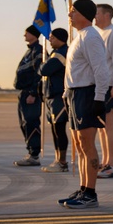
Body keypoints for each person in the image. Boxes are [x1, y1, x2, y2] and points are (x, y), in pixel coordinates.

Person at [58, 0, 110, 209]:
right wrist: (65, 93)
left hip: (87, 95)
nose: (70, 15)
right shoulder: (79, 37)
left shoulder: (91, 37)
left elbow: (102, 71)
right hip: (74, 94)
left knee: (87, 144)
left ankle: (90, 193)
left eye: (73, 12)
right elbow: (73, 71)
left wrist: (99, 98)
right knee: (79, 144)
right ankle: (83, 188)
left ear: (84, 14)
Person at [94, 4, 113, 179]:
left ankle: (111, 164)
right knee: (101, 126)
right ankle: (104, 161)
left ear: (107, 15)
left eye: (97, 14)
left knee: (108, 123)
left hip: (110, 84)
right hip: (99, 85)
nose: (94, 17)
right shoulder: (99, 34)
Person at [38, 29, 70, 172]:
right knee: (54, 129)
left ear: (60, 38)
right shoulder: (54, 53)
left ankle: (62, 161)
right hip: (50, 95)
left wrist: (42, 64)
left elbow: (44, 70)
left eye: (52, 38)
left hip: (58, 96)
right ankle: (57, 158)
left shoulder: (61, 53)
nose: (50, 40)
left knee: (59, 129)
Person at [13, 25, 43, 166]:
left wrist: (33, 93)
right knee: (24, 124)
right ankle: (30, 151)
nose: (24, 35)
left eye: (27, 33)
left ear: (34, 34)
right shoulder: (30, 50)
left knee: (31, 123)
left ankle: (34, 154)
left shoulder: (39, 51)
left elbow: (39, 74)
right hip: (24, 92)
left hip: (31, 93)